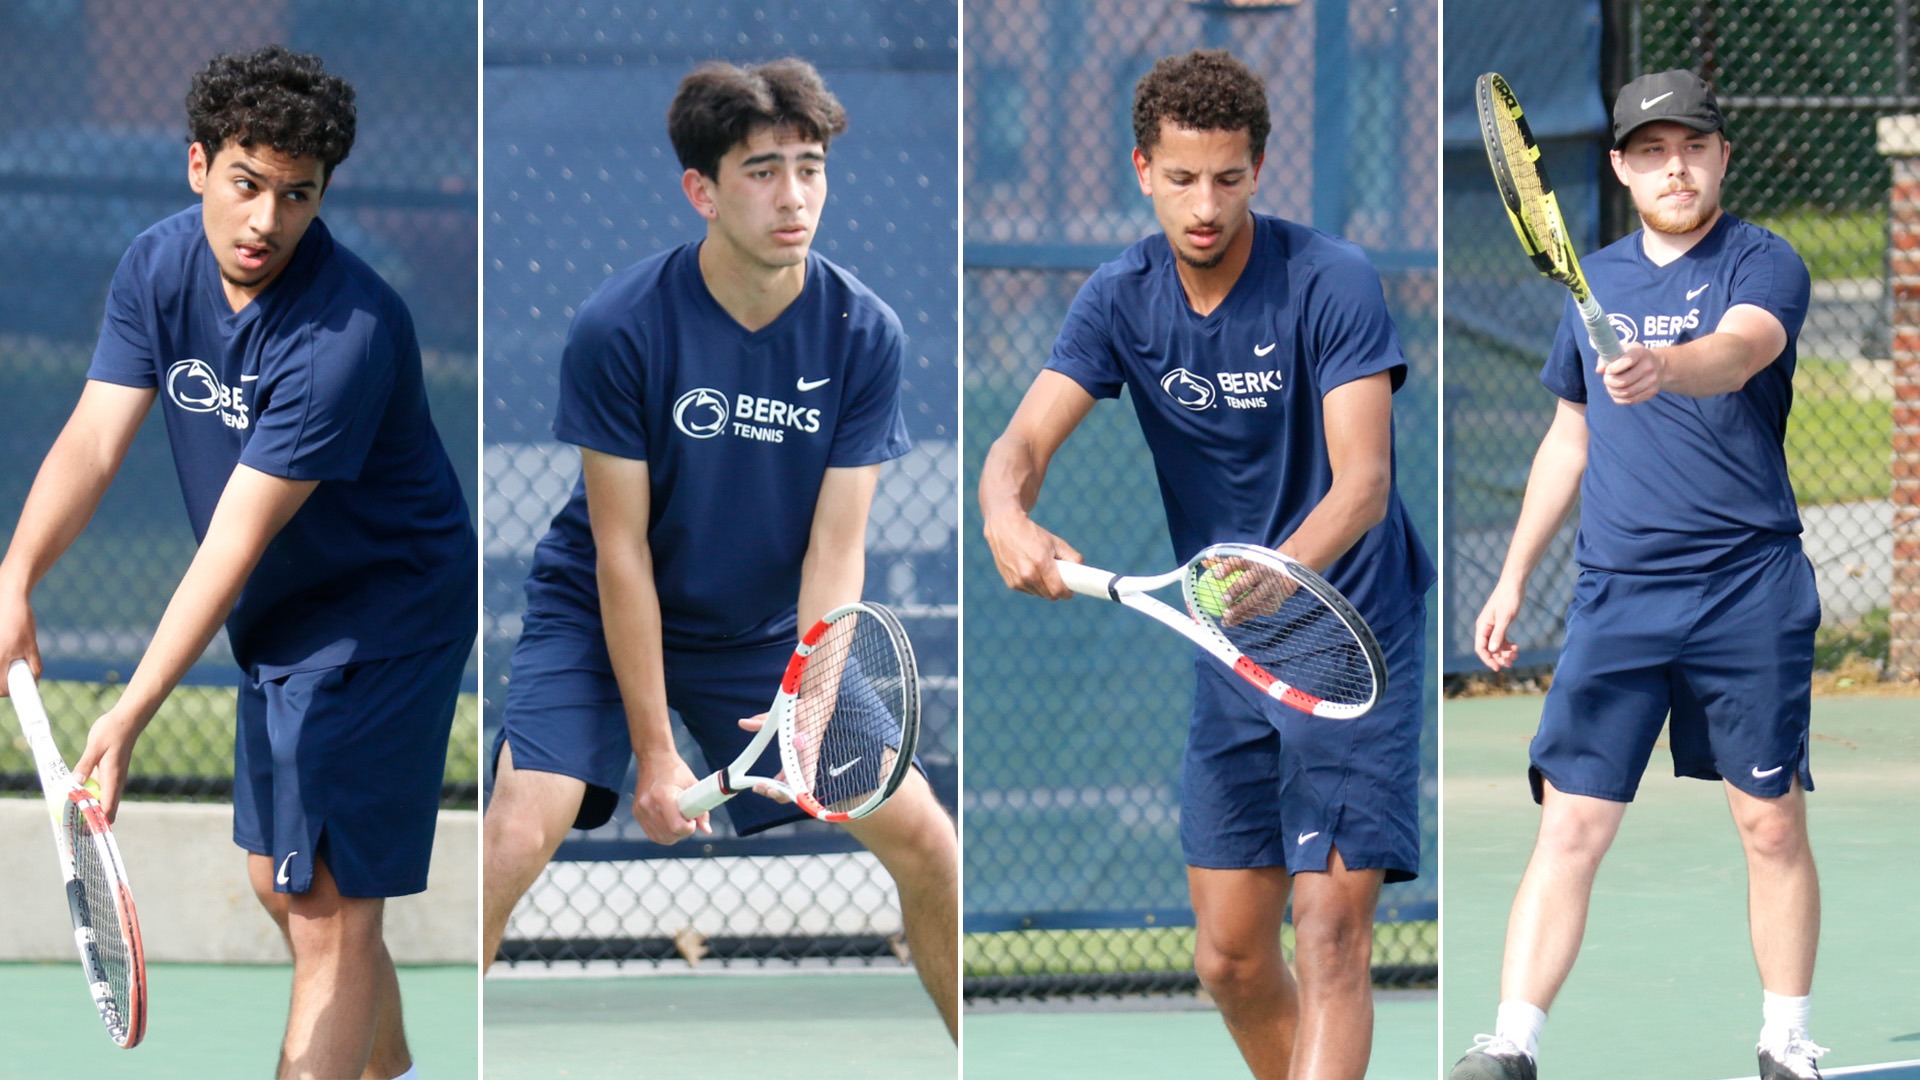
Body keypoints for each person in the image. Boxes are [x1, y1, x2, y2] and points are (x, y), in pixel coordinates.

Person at [0, 45, 475, 1079]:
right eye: (247, 183)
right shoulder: (156, 267)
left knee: (327, 905)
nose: (266, 220)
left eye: (297, 195)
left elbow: (234, 539)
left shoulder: (343, 334)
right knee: (279, 881)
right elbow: (93, 440)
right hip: (285, 613)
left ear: (324, 195)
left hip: (384, 616)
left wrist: (127, 714)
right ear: (198, 164)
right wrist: (14, 577)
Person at [479, 57, 959, 1039]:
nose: (794, 197)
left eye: (811, 168)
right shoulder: (620, 327)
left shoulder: (864, 333)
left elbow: (836, 546)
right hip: (600, 613)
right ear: (702, 191)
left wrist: (812, 687)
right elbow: (620, 552)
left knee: (930, 847)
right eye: (763, 171)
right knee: (517, 836)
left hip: (766, 631)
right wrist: (656, 755)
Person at [979, 49, 1434, 1080]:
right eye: (1182, 178)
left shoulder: (1330, 280)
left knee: (1329, 936)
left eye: (1229, 178)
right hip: (1230, 645)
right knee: (1229, 958)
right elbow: (1021, 443)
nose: (1205, 205)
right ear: (1142, 169)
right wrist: (1006, 512)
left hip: (1351, 635)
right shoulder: (1119, 298)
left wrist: (1281, 575)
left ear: (1258, 170)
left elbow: (1363, 484)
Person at [1448, 69, 1822, 1080]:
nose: (1676, 168)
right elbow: (1568, 437)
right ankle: (1510, 1045)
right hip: (1618, 594)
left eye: (1694, 147)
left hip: (1747, 586)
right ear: (1620, 167)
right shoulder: (1597, 282)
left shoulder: (1765, 261)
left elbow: (1740, 352)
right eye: (1652, 151)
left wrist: (1667, 365)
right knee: (1570, 822)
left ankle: (1786, 1040)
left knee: (1769, 821)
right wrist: (1512, 576)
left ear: (1722, 156)